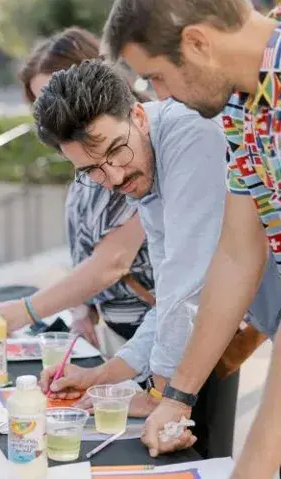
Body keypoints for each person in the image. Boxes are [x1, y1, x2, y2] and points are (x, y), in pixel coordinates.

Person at [102, 1, 281, 478]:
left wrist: (255, 466)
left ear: (198, 43)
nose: (161, 98)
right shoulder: (242, 106)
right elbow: (236, 253)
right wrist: (176, 397)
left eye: (156, 77)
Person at [33, 58, 245, 459]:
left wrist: (161, 395)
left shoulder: (189, 134)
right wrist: (105, 374)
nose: (113, 178)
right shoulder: (143, 166)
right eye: (92, 170)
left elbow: (190, 285)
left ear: (137, 115)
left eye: (116, 150)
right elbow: (169, 296)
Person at [0, 27, 154, 352]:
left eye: (62, 90)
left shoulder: (142, 153)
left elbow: (112, 260)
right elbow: (90, 250)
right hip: (126, 339)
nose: (58, 111)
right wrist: (82, 306)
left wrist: (24, 311)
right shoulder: (87, 159)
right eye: (42, 101)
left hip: (173, 338)